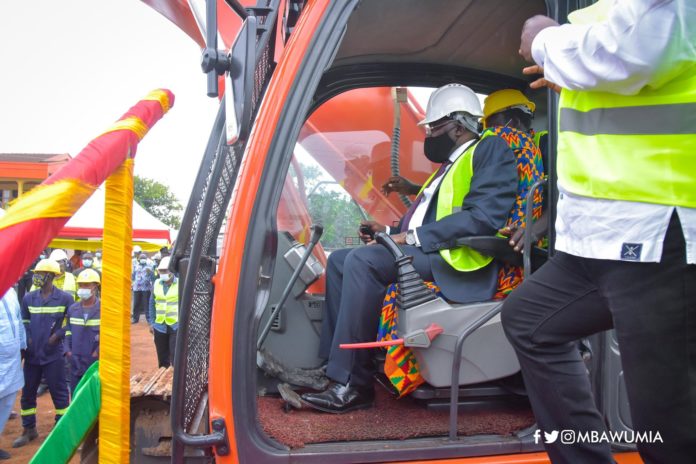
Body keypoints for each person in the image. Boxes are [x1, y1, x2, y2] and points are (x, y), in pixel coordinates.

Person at [501, 2, 696, 463]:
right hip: (596, 234)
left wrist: (544, 41)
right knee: (529, 321)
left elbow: (637, 52)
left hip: (656, 228)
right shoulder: (601, 9)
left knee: (668, 433)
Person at [300, 83, 518, 413]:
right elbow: (422, 220)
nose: (429, 134)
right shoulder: (448, 166)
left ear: (459, 126)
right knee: (343, 260)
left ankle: (353, 385)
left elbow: (482, 219)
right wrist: (388, 232)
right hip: (431, 249)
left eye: (434, 127)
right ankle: (333, 366)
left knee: (364, 262)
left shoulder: (491, 151)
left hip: (457, 258)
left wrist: (409, 239)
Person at [13, 259, 73, 448]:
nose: (36, 276)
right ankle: (29, 429)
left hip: (54, 355)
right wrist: (28, 339)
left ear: (51, 276)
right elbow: (24, 322)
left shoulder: (65, 299)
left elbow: (70, 323)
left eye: (40, 273)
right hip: (32, 355)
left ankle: (60, 429)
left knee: (60, 393)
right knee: (28, 393)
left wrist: (57, 336)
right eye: (36, 273)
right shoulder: (28, 298)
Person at [64, 269, 101, 394]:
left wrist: (97, 352)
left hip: (94, 361)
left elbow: (108, 335)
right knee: (75, 394)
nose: (82, 288)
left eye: (86, 285)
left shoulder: (103, 309)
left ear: (95, 287)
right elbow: (68, 330)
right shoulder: (73, 309)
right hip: (75, 360)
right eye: (80, 285)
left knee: (93, 395)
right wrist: (67, 350)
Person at [0, 287, 26, 460]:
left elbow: (18, 321)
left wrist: (23, 345)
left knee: (7, 402)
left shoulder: (10, 292)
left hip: (13, 357)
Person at [148, 257, 179, 368]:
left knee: (175, 357)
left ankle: (174, 382)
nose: (162, 273)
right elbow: (152, 304)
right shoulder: (156, 283)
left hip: (175, 326)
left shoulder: (180, 284)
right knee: (162, 357)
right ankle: (163, 379)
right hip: (160, 326)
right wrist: (152, 322)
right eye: (160, 271)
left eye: (165, 271)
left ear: (172, 271)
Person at [131, 253, 154, 324]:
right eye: (141, 258)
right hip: (137, 288)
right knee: (136, 304)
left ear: (146, 259)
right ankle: (135, 319)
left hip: (146, 288)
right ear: (139, 259)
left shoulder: (149, 267)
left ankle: (149, 319)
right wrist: (132, 284)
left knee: (146, 304)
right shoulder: (135, 266)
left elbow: (152, 277)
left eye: (144, 258)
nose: (142, 260)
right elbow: (133, 276)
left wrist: (151, 273)